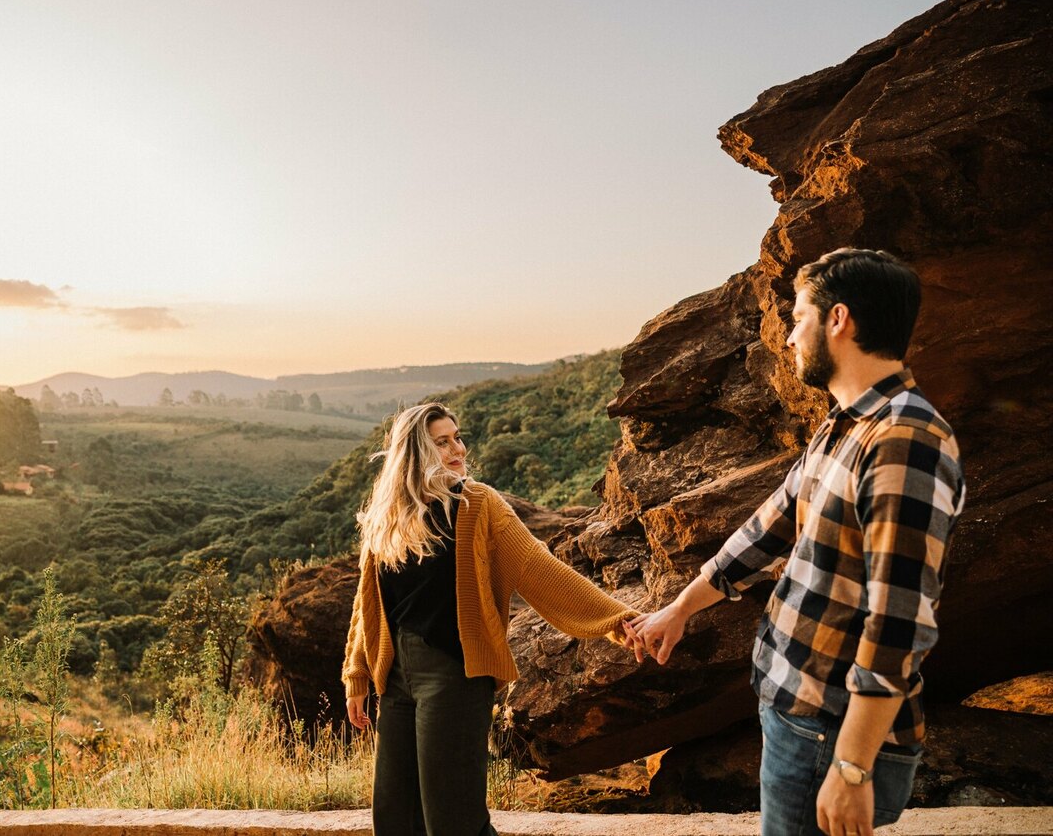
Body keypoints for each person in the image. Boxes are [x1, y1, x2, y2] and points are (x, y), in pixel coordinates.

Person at [623, 248, 965, 836]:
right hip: (795, 706)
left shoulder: (905, 441)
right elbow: (769, 525)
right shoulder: (846, 422)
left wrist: (852, 769)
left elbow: (900, 624)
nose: (787, 339)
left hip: (828, 727)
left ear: (839, 320)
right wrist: (679, 609)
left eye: (797, 318)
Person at [342, 401, 636, 836]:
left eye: (457, 438)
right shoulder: (390, 514)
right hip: (397, 680)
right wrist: (357, 675)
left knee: (453, 821)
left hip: (454, 675)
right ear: (415, 452)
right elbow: (366, 603)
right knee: (396, 817)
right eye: (442, 442)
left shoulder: (479, 505)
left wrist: (616, 618)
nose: (457, 448)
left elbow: (539, 569)